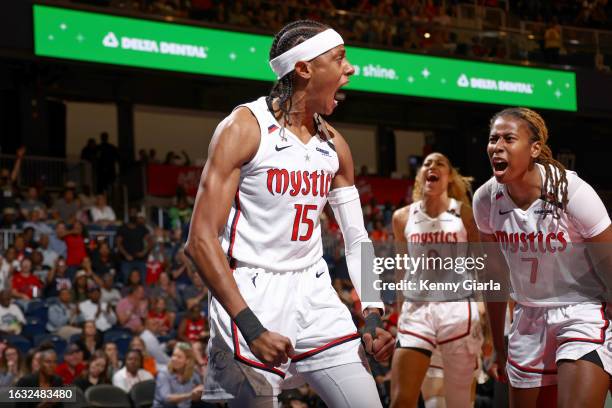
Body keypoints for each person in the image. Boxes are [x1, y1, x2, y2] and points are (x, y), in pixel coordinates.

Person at [185, 20, 393, 407]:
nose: (351, 69)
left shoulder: (335, 145)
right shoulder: (244, 128)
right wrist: (249, 325)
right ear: (304, 68)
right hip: (250, 292)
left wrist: (374, 312)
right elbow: (199, 240)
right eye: (340, 58)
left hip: (314, 290)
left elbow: (357, 239)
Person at [473, 107, 612, 407]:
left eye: (509, 138)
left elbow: (609, 262)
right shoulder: (485, 200)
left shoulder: (571, 191)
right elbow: (494, 277)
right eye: (493, 138)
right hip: (528, 317)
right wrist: (498, 345)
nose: (497, 146)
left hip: (581, 311)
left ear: (534, 148)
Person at [390, 152, 483, 408]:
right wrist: (399, 314)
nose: (432, 166)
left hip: (457, 309)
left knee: (457, 403)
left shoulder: (465, 215)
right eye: (427, 163)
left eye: (440, 162)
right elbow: (401, 270)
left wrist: (483, 306)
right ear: (421, 175)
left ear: (450, 177)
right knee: (402, 400)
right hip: (417, 310)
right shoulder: (402, 217)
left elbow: (481, 265)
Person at [153, 342, 204, 408]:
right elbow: (166, 398)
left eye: (179, 357)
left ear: (187, 360)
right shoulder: (163, 373)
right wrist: (190, 395)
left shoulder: (192, 372)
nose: (174, 359)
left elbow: (201, 387)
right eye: (173, 355)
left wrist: (198, 392)